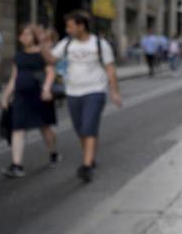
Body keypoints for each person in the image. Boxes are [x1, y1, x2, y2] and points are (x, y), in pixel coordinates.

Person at [42, 10, 122, 183]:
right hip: (72, 92)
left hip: (95, 90)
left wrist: (114, 91)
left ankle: (86, 166)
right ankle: (90, 155)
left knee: (88, 126)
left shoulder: (100, 44)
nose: (67, 29)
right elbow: (51, 59)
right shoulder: (67, 43)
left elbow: (110, 69)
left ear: (81, 26)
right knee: (80, 129)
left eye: (70, 26)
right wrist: (43, 44)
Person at [0, 24, 60, 178]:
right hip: (21, 97)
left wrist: (46, 88)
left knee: (44, 127)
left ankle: (53, 153)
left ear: (34, 37)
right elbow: (14, 78)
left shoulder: (42, 53)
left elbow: (51, 72)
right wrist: (6, 96)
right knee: (17, 128)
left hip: (39, 96)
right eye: (22, 35)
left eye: (28, 34)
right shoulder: (18, 56)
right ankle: (17, 165)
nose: (24, 37)